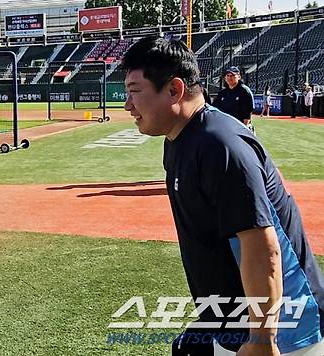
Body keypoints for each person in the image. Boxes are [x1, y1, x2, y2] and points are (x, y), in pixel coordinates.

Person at [121, 36, 324, 356]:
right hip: (233, 318)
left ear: (174, 90)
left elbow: (262, 248)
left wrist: (262, 339)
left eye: (134, 92)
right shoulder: (179, 140)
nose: (127, 105)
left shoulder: (220, 145)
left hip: (286, 331)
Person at [213, 66, 254, 130]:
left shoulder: (244, 91)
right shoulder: (222, 93)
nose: (229, 77)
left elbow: (247, 113)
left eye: (232, 75)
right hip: (224, 127)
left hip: (239, 127)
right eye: (227, 75)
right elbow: (215, 109)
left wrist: (244, 129)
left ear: (239, 77)